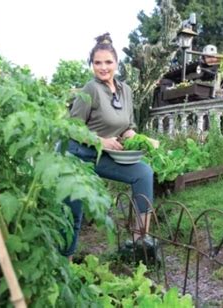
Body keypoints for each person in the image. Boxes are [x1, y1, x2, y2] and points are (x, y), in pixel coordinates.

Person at [62, 33, 155, 260]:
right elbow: (72, 128)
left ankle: (139, 239)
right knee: (73, 211)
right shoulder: (90, 89)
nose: (103, 68)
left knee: (143, 173)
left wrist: (141, 139)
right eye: (97, 63)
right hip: (78, 154)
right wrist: (100, 140)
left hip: (105, 154)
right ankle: (66, 261)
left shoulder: (126, 91)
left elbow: (127, 127)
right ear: (92, 64)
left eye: (108, 62)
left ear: (117, 63)